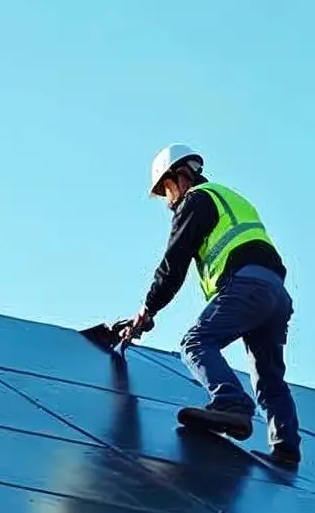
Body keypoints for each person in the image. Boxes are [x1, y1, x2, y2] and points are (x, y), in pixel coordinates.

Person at [111, 144, 301, 467]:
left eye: (166, 189)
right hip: (276, 294)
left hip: (247, 286)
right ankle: (286, 447)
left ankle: (231, 404)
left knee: (195, 342)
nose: (168, 201)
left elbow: (173, 264)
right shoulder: (229, 198)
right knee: (268, 376)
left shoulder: (195, 200)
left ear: (180, 176)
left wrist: (147, 309)